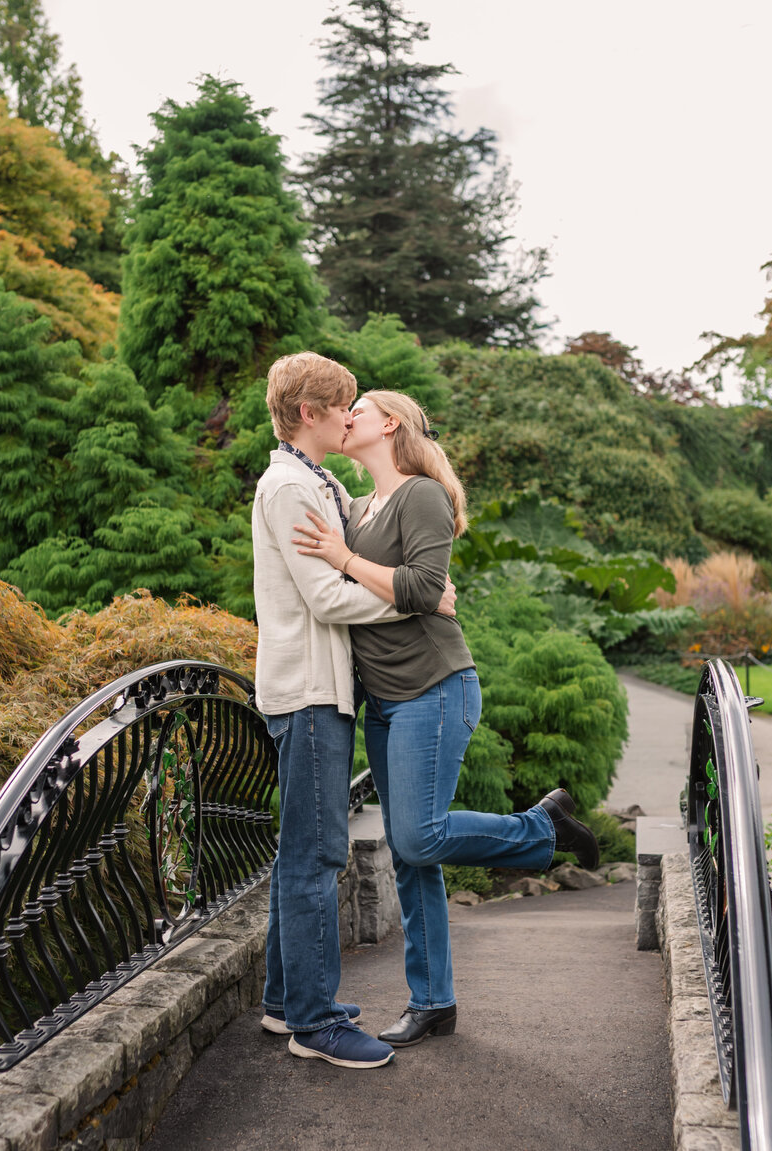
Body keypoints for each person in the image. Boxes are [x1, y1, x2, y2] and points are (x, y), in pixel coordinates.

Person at [293, 389, 600, 1048]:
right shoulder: (354, 507)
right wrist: (369, 570)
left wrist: (350, 562)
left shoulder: (420, 495)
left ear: (390, 423)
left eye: (359, 407)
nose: (346, 415)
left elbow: (425, 589)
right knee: (411, 854)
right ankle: (433, 1000)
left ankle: (540, 827)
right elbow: (383, 591)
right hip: (384, 700)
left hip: (434, 688)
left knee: (421, 837)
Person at [253, 353, 455, 1070]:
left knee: (298, 852)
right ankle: (316, 1023)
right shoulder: (286, 487)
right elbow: (327, 595)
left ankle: (284, 1002)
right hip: (309, 692)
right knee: (317, 856)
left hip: (326, 689)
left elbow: (350, 562)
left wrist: (402, 580)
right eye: (341, 406)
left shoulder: (322, 480)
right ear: (309, 413)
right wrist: (420, 594)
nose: (349, 416)